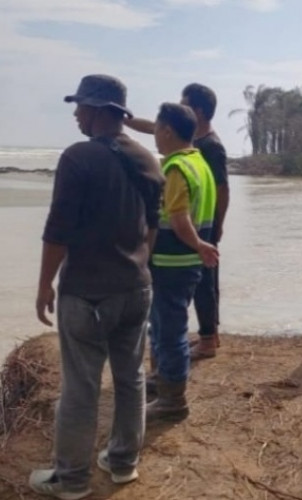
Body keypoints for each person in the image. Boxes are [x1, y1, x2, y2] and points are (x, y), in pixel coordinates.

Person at [30, 75, 164, 499]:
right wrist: (138, 264)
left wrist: (44, 286)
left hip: (86, 292)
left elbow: (58, 231)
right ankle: (123, 463)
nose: (75, 113)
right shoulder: (148, 159)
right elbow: (152, 227)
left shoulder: (78, 158)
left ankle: (70, 480)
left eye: (80, 106)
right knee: (131, 378)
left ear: (98, 110)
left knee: (81, 387)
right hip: (136, 287)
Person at [127, 83, 229, 360]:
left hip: (194, 235)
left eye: (183, 103)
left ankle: (208, 338)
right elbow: (156, 127)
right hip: (195, 234)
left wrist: (214, 228)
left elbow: (222, 190)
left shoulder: (209, 148)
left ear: (196, 111)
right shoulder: (193, 146)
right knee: (183, 300)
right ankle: (202, 341)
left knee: (198, 291)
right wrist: (129, 120)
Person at [147, 103, 218, 422]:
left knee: (169, 330)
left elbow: (178, 219)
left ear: (168, 131)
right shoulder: (199, 161)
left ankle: (172, 400)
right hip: (187, 262)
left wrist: (198, 243)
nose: (155, 138)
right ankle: (161, 382)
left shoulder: (175, 168)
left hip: (172, 260)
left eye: (157, 130)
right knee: (163, 325)